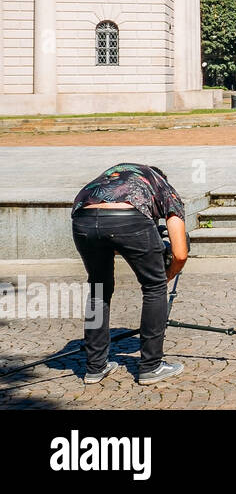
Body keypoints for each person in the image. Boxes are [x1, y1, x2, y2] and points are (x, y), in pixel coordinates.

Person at [71, 163, 189, 385]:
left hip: (83, 217)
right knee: (154, 287)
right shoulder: (164, 188)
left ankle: (95, 367)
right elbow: (180, 254)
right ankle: (151, 366)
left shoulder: (113, 176)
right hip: (127, 218)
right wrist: (167, 275)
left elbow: (111, 238)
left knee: (99, 288)